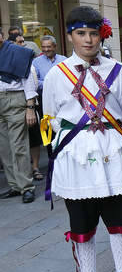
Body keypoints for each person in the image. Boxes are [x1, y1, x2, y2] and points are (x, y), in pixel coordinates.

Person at [41, 7, 122, 272]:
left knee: (120, 220)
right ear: (70, 35)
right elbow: (50, 118)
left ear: (102, 34)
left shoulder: (117, 70)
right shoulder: (56, 74)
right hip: (76, 156)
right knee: (81, 224)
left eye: (93, 33)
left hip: (112, 152)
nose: (88, 40)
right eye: (81, 33)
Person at [0, 27, 37, 202]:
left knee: (19, 145)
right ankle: (15, 185)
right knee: (5, 147)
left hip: (15, 99)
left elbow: (28, 78)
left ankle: (26, 187)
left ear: (1, 36)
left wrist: (30, 106)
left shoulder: (17, 52)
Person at [30, 36, 67, 181]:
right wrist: (50, 82)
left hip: (63, 102)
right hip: (45, 102)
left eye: (49, 47)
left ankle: (64, 163)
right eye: (43, 47)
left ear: (55, 46)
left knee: (63, 130)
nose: (46, 50)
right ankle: (53, 165)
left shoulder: (63, 60)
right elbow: (34, 82)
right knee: (49, 133)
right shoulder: (36, 62)